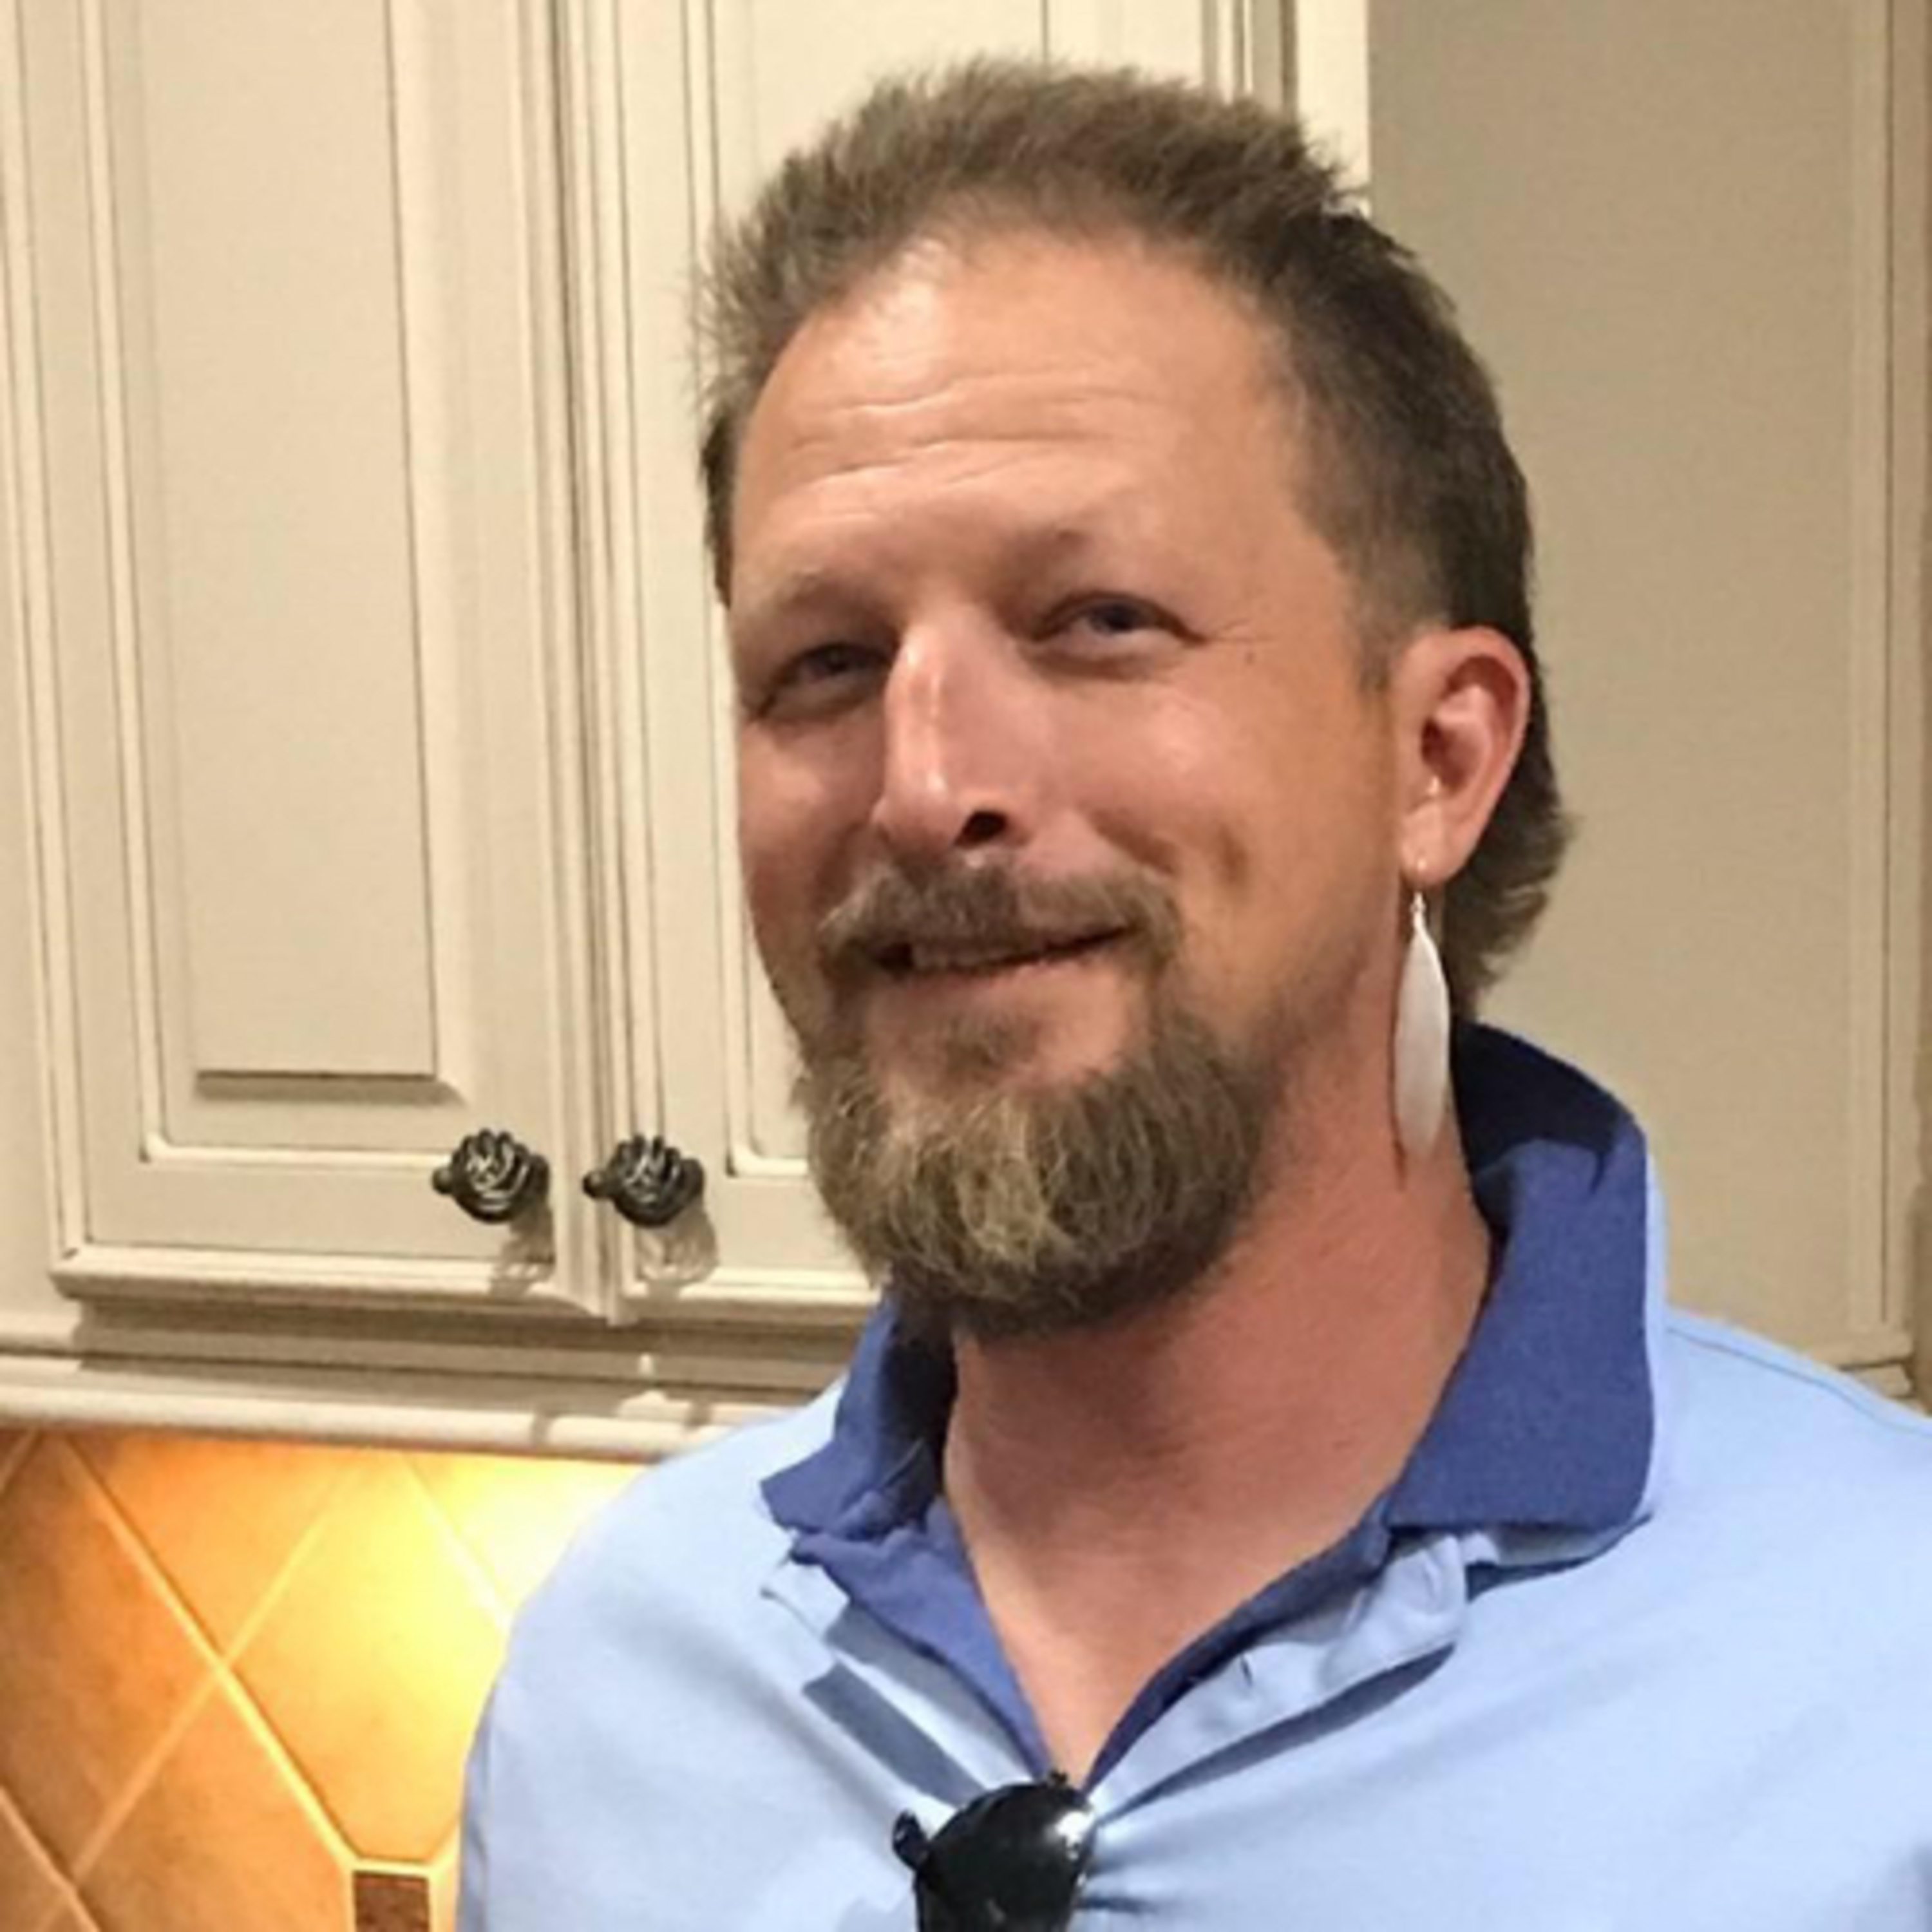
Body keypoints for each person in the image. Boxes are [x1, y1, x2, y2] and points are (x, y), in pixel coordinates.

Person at [459, 61, 1932, 1930]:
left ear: (1438, 758)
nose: (925, 784)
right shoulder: (613, 1694)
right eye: (824, 661)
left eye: (1098, 624)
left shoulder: (1881, 1684)